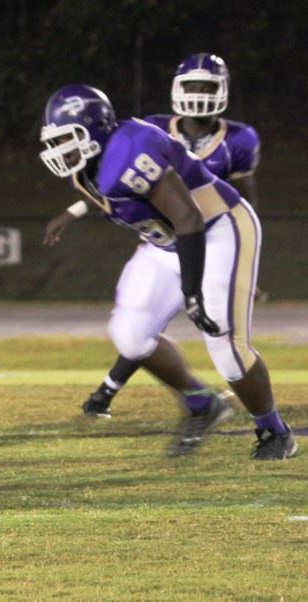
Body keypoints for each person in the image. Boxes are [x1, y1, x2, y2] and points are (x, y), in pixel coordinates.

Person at [38, 83, 296, 459]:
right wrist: (72, 212)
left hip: (217, 228)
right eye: (56, 140)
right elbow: (103, 192)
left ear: (95, 130)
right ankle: (201, 403)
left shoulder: (130, 150)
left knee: (226, 347)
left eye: (69, 138)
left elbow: (188, 216)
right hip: (168, 244)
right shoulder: (89, 169)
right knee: (129, 333)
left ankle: (275, 432)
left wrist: (192, 293)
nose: (62, 149)